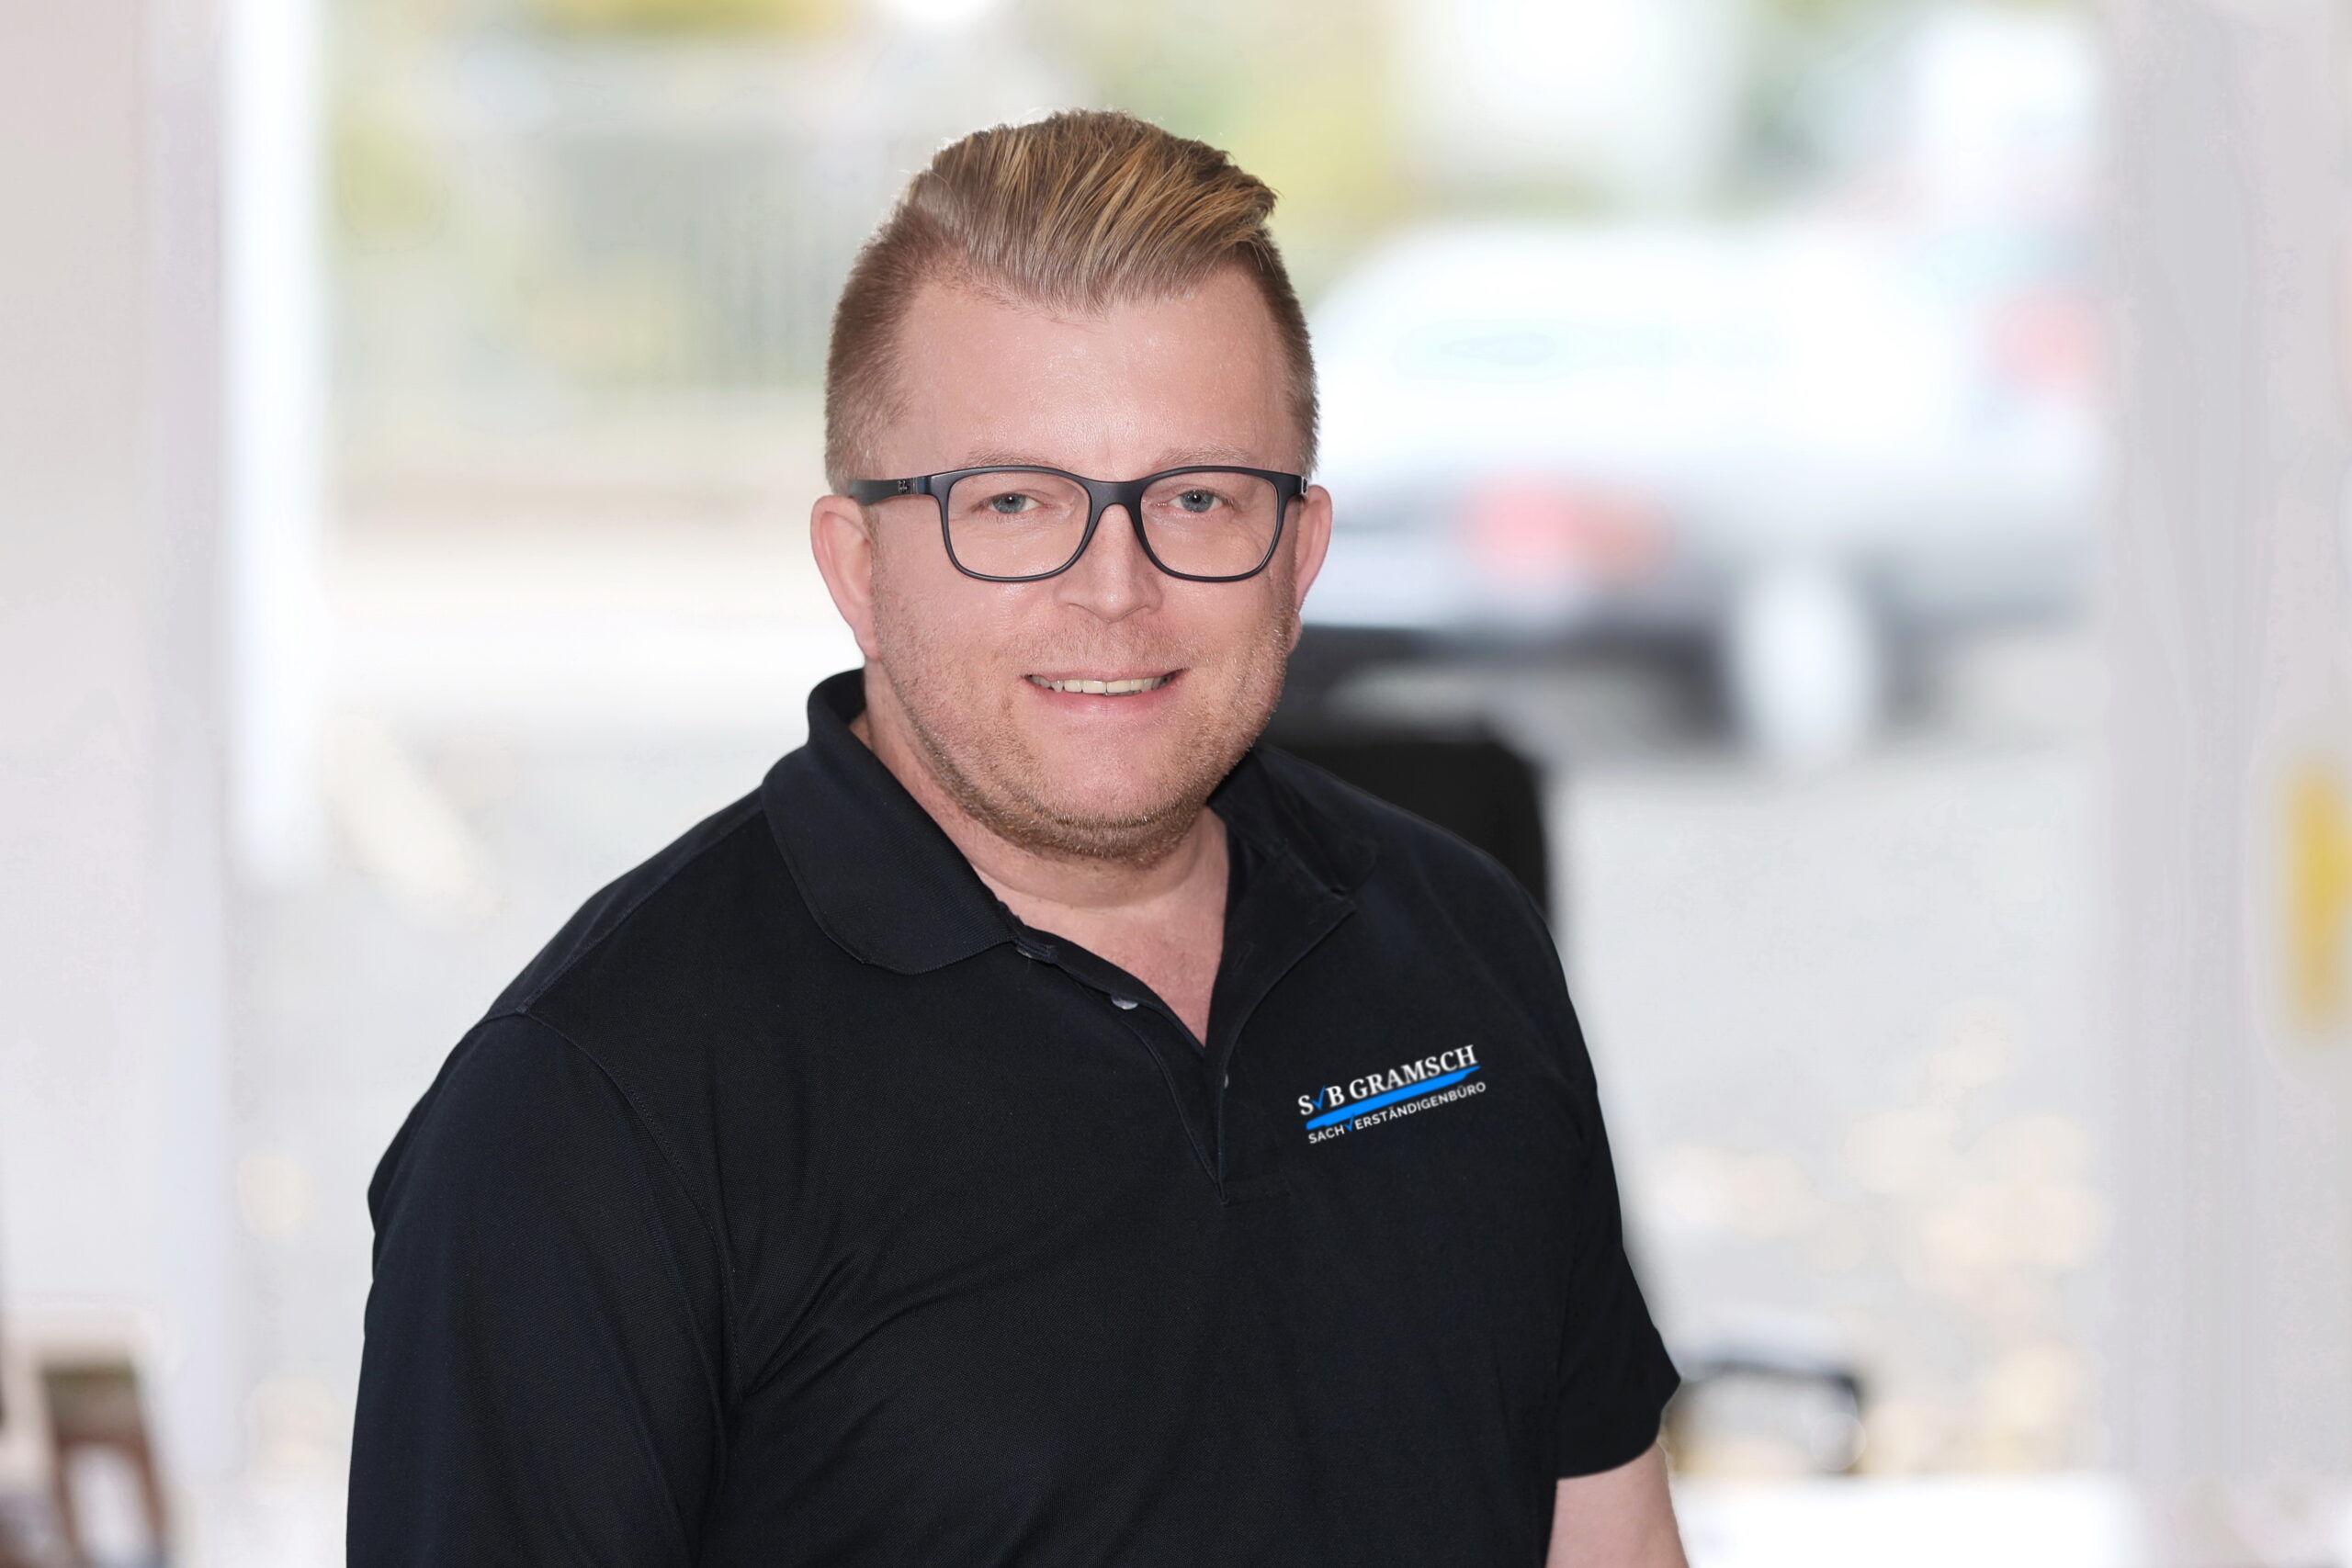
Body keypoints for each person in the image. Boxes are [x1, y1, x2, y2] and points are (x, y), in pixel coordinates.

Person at [349, 109, 1685, 1567]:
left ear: (1300, 552)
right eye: (1013, 503)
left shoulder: (1459, 944)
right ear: (858, 564)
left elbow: (1604, 1538)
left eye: (1197, 498)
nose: (1114, 589)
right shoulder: (589, 1109)